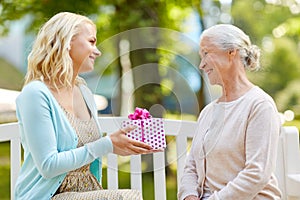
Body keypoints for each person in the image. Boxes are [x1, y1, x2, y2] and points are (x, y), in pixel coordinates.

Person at [14, 12, 154, 200]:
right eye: (91, 41)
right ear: (67, 41)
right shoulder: (36, 94)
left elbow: (91, 148)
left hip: (87, 192)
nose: (97, 51)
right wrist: (106, 144)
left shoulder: (84, 92)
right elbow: (48, 165)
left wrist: (119, 145)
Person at [178, 24, 281, 200]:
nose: (202, 65)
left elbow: (257, 174)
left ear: (231, 52)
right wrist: (189, 196)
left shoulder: (260, 105)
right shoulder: (208, 112)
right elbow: (192, 166)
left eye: (206, 53)